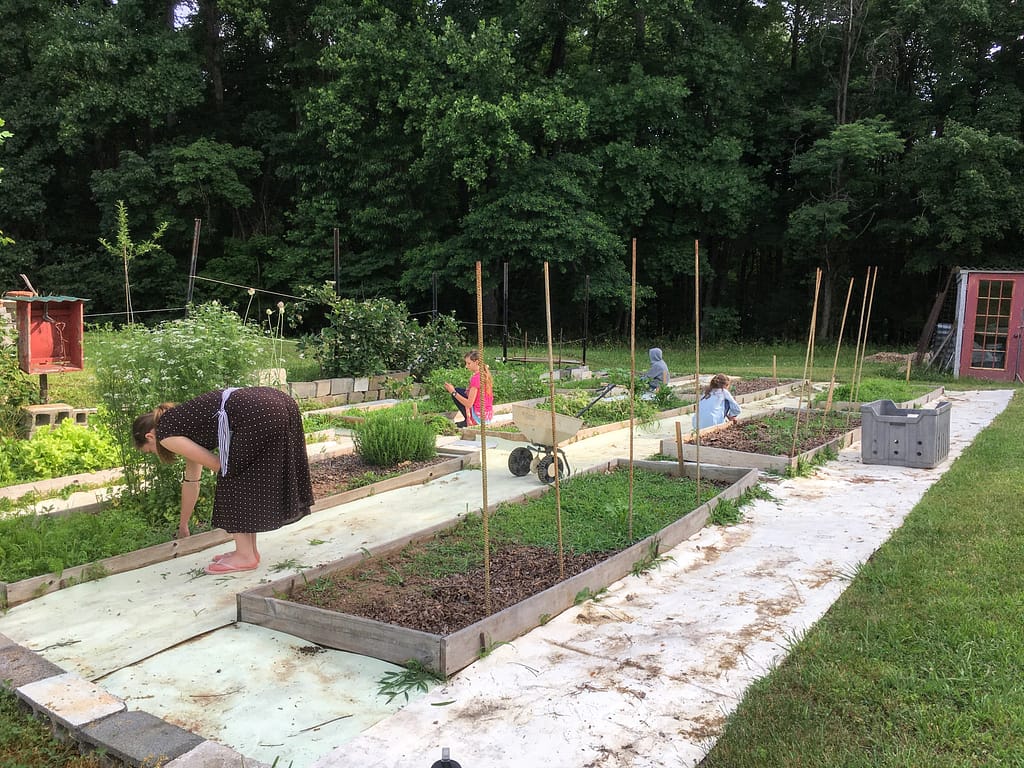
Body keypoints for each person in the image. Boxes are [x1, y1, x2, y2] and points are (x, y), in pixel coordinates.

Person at [132, 386, 314, 574]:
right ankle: (248, 551)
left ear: (150, 437)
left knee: (230, 475)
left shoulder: (165, 434)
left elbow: (219, 466)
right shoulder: (178, 421)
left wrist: (228, 470)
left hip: (259, 410)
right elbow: (192, 481)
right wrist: (183, 524)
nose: (156, 452)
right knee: (239, 474)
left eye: (150, 450)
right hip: (280, 402)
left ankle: (245, 557)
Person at [443, 350, 494, 427]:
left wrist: (453, 392)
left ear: (476, 362)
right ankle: (467, 419)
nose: (466, 366)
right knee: (460, 391)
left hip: (479, 417)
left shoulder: (476, 378)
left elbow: (469, 404)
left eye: (469, 363)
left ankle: (469, 420)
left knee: (456, 392)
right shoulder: (485, 373)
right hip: (487, 415)